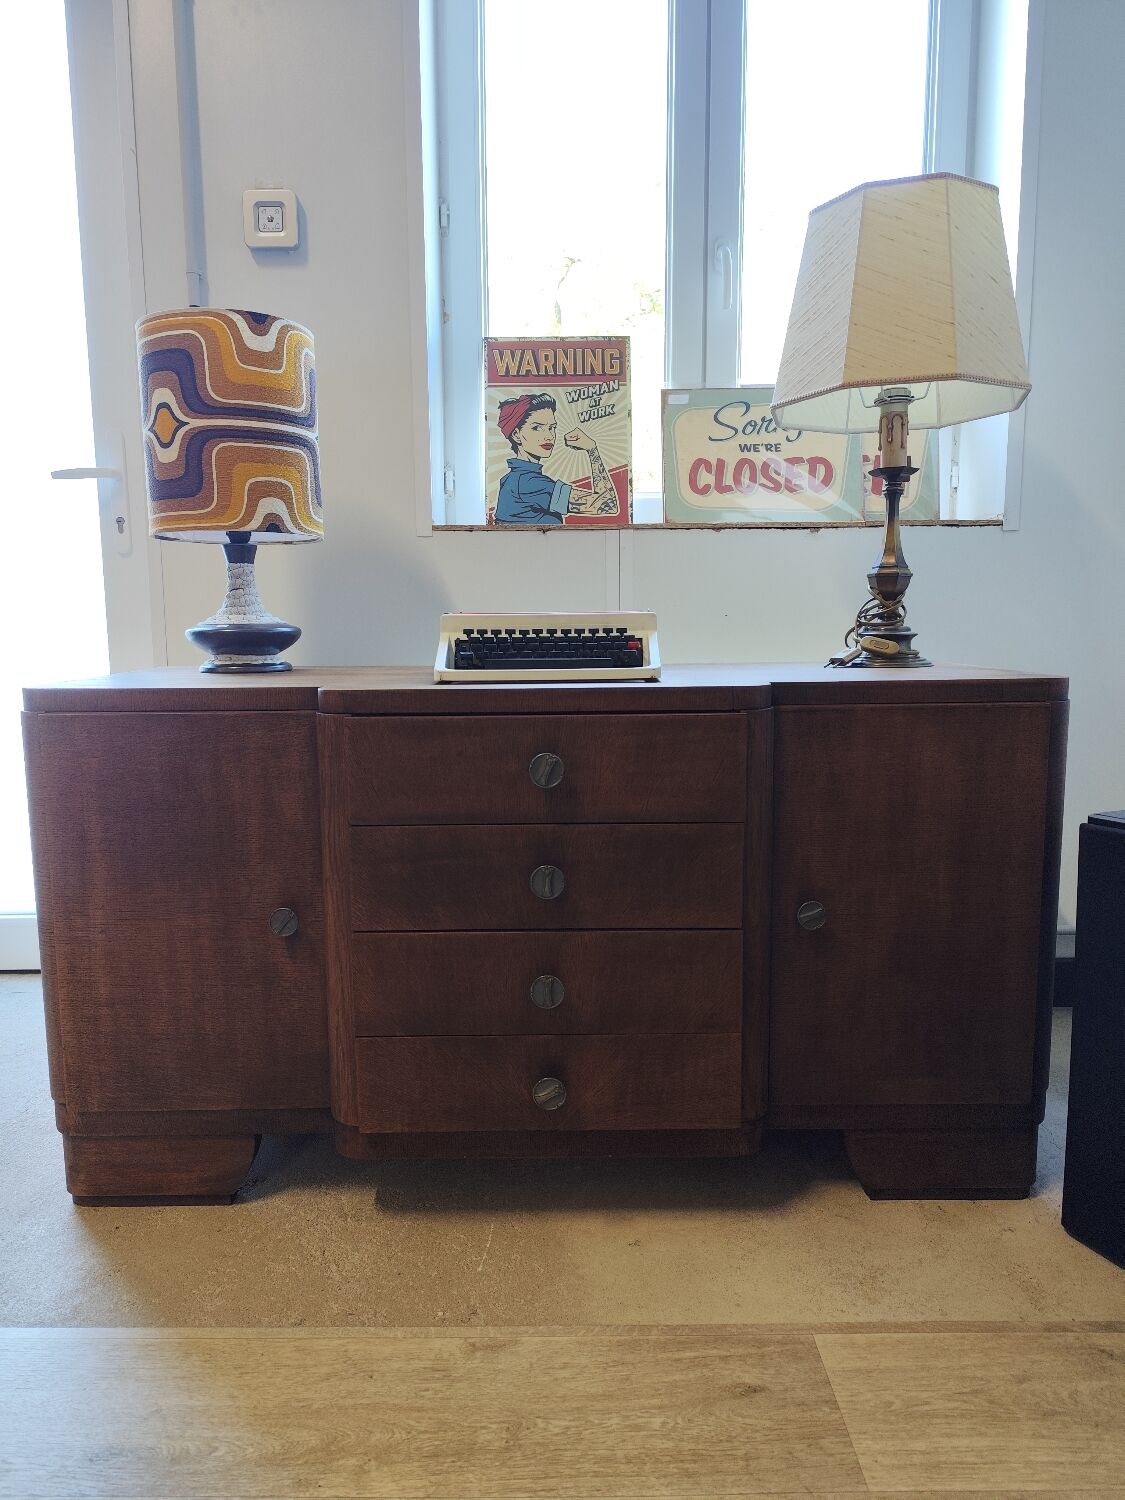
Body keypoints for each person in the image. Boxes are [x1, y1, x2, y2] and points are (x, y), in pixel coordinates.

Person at [493, 393, 618, 524]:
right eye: (537, 428)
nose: (549, 436)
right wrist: (592, 449)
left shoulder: (512, 478)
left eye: (552, 428)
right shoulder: (529, 483)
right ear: (516, 435)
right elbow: (607, 504)